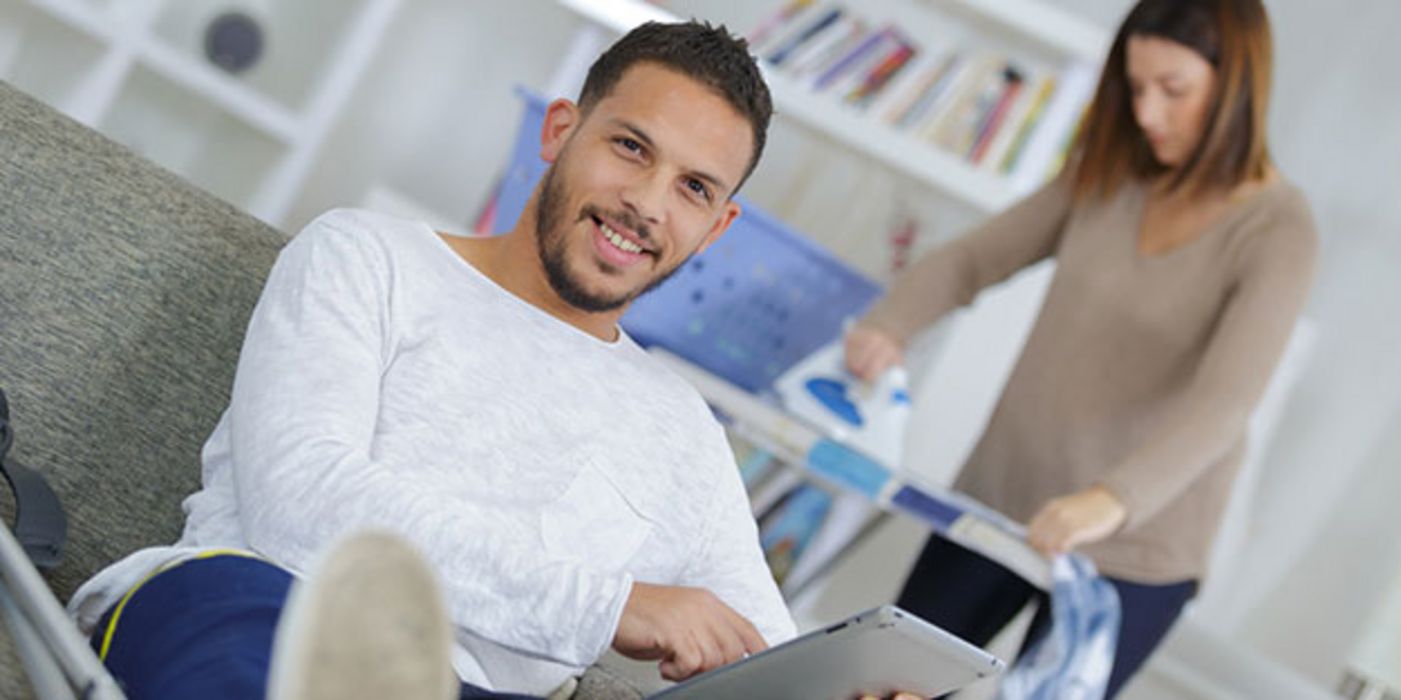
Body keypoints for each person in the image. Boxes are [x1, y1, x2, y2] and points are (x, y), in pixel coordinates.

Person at [67, 21, 798, 700]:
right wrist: (607, 608)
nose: (645, 202)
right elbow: (300, 498)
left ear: (716, 227)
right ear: (559, 131)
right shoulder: (366, 257)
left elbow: (780, 663)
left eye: (693, 188)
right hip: (268, 610)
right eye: (630, 147)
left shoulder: (683, 435)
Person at [844, 0, 1317, 696]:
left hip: (1132, 550)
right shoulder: (1105, 175)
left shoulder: (1278, 230)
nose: (1147, 113)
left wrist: (1108, 500)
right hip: (1004, 503)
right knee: (883, 686)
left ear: (1236, 87)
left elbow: (1225, 403)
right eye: (1135, 87)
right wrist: (890, 322)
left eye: (1173, 91)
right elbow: (975, 258)